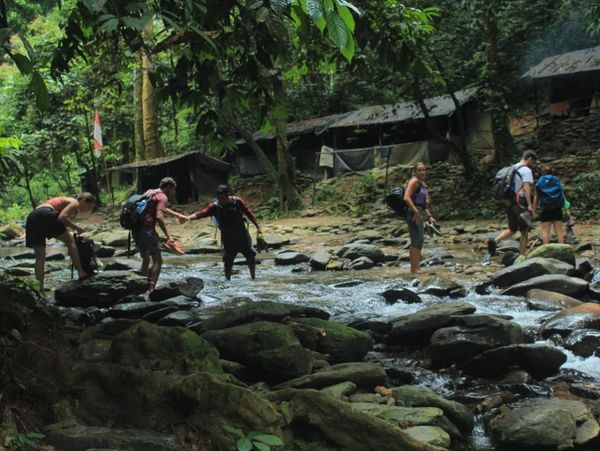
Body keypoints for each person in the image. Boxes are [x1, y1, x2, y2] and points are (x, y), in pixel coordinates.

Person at [183, 185, 261, 280]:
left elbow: (249, 213)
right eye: (219, 198)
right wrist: (189, 217)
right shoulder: (215, 207)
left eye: (223, 198)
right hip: (228, 239)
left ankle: (253, 278)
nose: (221, 200)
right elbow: (203, 213)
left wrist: (258, 227)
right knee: (228, 261)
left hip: (242, 236)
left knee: (250, 256)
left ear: (228, 195)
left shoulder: (237, 202)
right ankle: (227, 281)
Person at [25, 192, 96, 291]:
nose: (86, 210)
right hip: (45, 214)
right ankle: (81, 272)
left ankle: (40, 288)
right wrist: (77, 227)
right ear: (83, 200)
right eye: (88, 207)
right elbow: (62, 217)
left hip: (32, 217)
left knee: (40, 256)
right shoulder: (74, 202)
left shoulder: (63, 201)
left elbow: (60, 222)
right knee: (70, 241)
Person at [134, 177, 188, 295]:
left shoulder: (150, 192)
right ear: (168, 187)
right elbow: (159, 216)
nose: (174, 192)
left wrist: (176, 214)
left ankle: (140, 287)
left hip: (137, 230)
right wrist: (169, 236)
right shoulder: (163, 196)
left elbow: (159, 207)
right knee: (158, 260)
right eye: (173, 189)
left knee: (146, 259)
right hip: (148, 230)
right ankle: (151, 290)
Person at [488, 150, 538, 256]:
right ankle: (522, 256)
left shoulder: (512, 167)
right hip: (520, 202)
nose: (533, 165)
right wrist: (530, 205)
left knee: (512, 228)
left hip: (509, 202)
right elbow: (526, 187)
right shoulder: (526, 170)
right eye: (533, 162)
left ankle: (495, 241)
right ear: (529, 159)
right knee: (524, 231)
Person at [403, 162, 436, 274]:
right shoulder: (414, 181)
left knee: (419, 240)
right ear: (414, 171)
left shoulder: (421, 183)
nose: (422, 172)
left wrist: (429, 216)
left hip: (419, 211)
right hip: (413, 212)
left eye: (423, 170)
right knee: (416, 239)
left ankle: (416, 268)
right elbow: (406, 197)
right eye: (419, 170)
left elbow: (422, 203)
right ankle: (414, 269)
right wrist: (416, 212)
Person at [532, 166, 565, 244]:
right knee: (559, 230)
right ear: (551, 172)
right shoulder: (556, 180)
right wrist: (565, 207)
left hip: (545, 208)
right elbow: (562, 194)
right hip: (557, 207)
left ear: (543, 172)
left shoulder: (540, 181)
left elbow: (536, 197)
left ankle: (546, 250)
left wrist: (534, 210)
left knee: (545, 231)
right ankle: (563, 249)